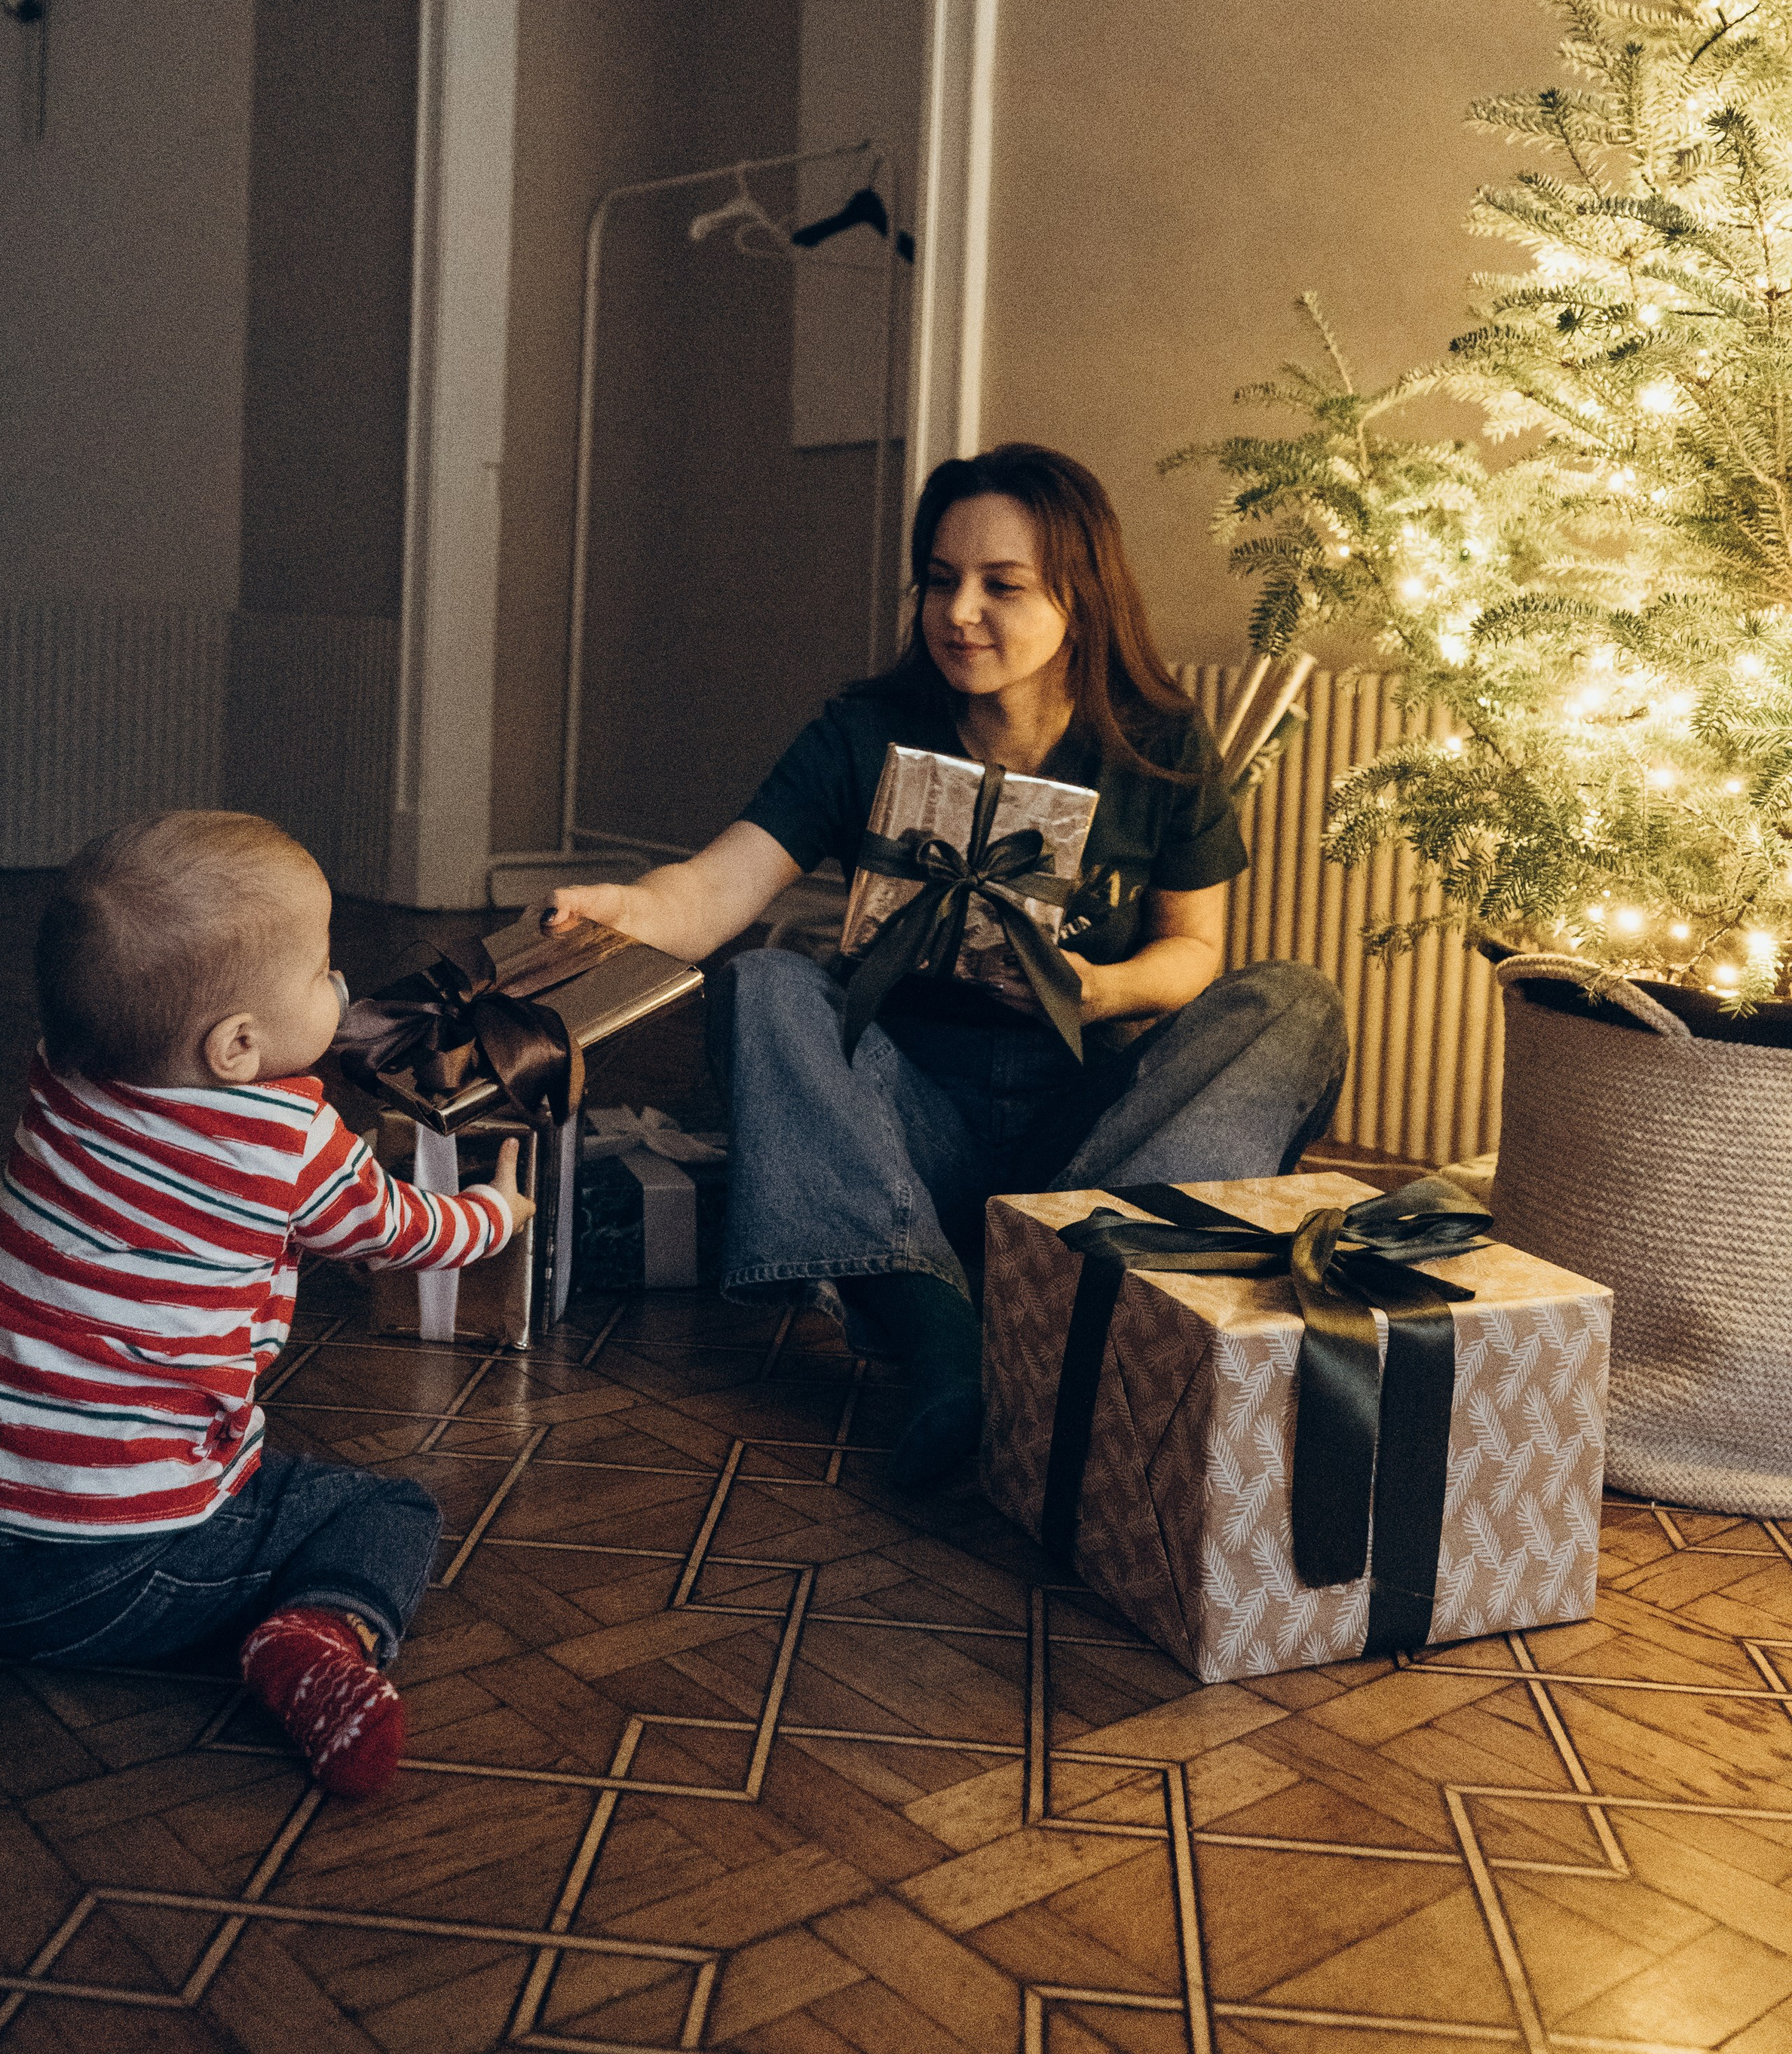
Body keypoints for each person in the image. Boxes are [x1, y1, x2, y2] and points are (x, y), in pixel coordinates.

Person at [550, 445, 1346, 1491]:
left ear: (1080, 594)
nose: (959, 610)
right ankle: (939, 1338)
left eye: (1001, 586)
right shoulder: (864, 731)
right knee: (764, 986)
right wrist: (628, 908)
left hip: (1087, 1131)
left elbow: (1194, 953)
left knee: (1294, 1003)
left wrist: (1095, 989)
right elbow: (715, 890)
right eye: (940, 579)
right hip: (904, 1123)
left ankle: (1065, 1280)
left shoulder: (1157, 742)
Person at [0, 810, 533, 1800]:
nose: (342, 985)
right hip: (102, 1579)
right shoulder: (288, 1136)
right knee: (386, 1508)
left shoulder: (59, 1073)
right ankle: (310, 1638)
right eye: (322, 970)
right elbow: (401, 1229)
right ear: (237, 1045)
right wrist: (495, 1211)